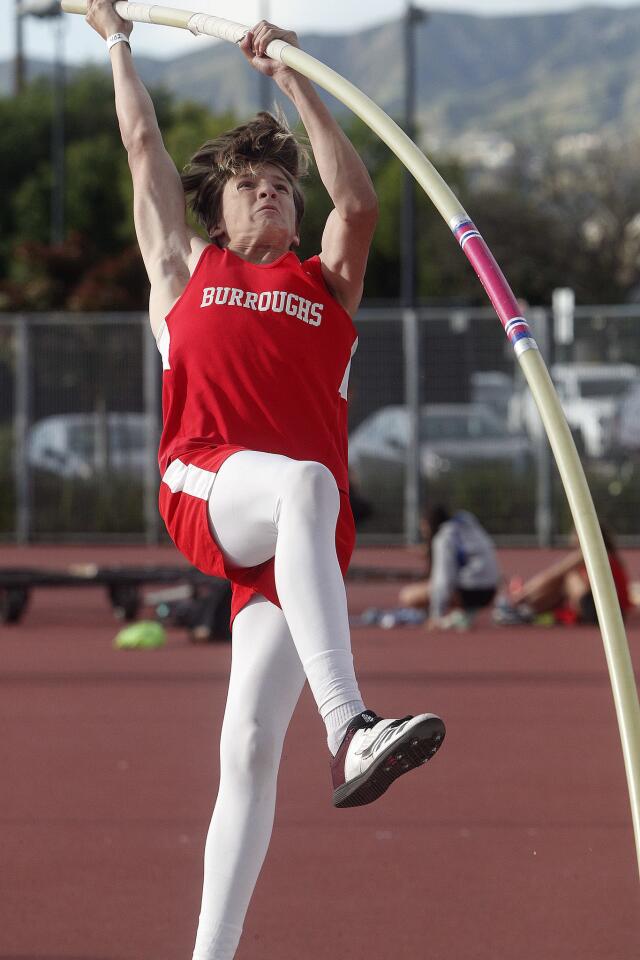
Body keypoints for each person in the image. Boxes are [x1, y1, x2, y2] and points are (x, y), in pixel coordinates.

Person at [85, 4, 446, 959]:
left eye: (282, 184)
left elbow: (359, 207)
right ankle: (355, 726)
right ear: (220, 208)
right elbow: (140, 141)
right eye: (249, 185)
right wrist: (115, 36)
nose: (270, 195)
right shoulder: (185, 269)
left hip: (297, 543)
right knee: (305, 484)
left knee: (247, 746)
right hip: (208, 484)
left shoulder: (326, 286)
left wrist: (299, 88)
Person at [493, 525, 631, 625]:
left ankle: (521, 605)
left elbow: (554, 574)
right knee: (566, 582)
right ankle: (526, 609)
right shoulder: (606, 554)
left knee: (567, 577)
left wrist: (521, 595)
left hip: (601, 610)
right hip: (612, 612)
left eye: (574, 532)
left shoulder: (588, 552)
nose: (571, 536)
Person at [398, 504, 499, 628]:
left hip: (470, 592)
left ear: (429, 524)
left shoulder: (443, 538)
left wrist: (436, 615)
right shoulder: (469, 526)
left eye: (423, 525)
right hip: (491, 591)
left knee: (408, 595)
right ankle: (466, 612)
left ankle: (454, 615)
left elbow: (443, 579)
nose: (422, 530)